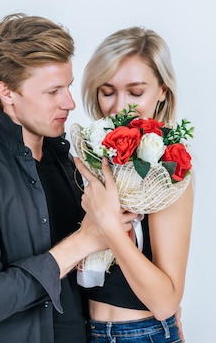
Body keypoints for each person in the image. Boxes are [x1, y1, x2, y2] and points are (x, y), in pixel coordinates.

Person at [0, 13, 136, 343]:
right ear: (7, 93)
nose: (69, 102)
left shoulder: (69, 164)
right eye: (52, 91)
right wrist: (83, 241)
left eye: (67, 87)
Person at [75, 26, 194, 342]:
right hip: (83, 331)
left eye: (136, 92)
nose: (119, 107)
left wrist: (110, 228)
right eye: (108, 91)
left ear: (162, 92)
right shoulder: (92, 156)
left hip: (140, 333)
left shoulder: (168, 169)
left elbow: (166, 301)